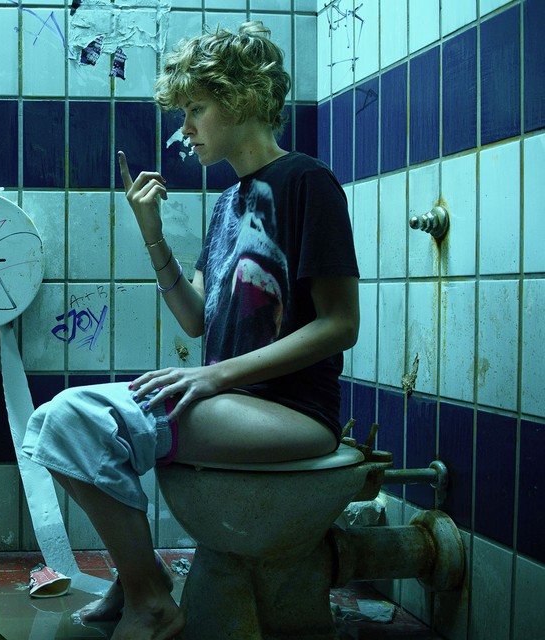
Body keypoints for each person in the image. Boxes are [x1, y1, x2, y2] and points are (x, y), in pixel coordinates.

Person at [21, 21, 360, 640]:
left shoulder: (307, 182)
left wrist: (214, 376)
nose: (185, 128)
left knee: (76, 418)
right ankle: (140, 574)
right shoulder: (229, 201)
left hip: (291, 412)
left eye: (196, 109)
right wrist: (150, 231)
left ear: (243, 99)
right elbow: (195, 316)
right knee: (50, 424)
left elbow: (341, 325)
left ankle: (149, 597)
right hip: (231, 402)